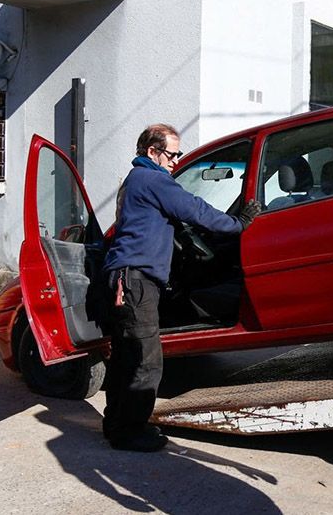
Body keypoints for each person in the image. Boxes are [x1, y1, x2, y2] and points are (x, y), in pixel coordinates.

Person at [102, 123, 260, 452]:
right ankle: (131, 432)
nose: (176, 160)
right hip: (136, 281)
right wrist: (238, 224)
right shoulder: (152, 179)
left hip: (126, 279)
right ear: (151, 152)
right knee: (146, 360)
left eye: (178, 154)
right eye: (172, 154)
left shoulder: (137, 181)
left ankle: (116, 425)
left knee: (126, 358)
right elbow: (193, 209)